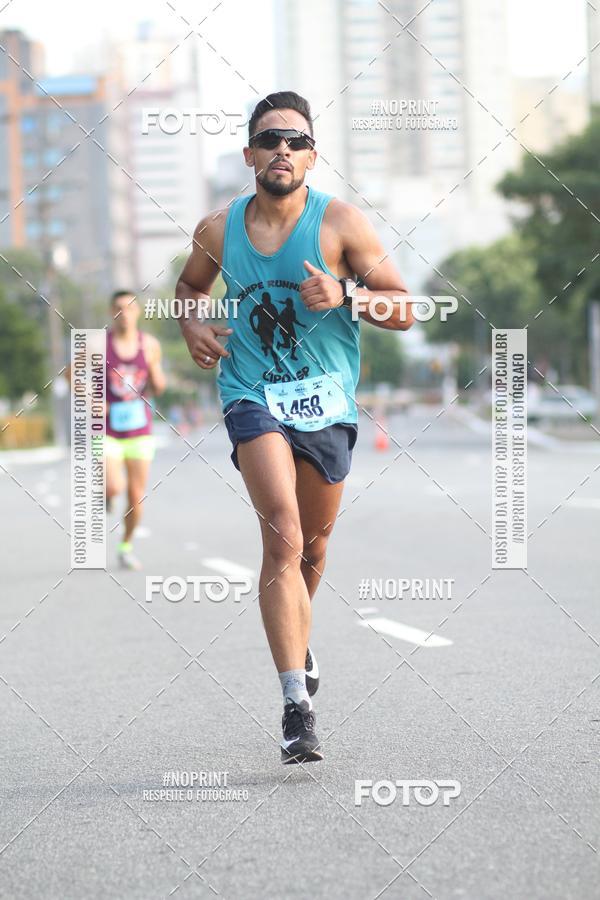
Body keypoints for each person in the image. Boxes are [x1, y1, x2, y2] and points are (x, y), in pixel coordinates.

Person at [176, 91, 413, 763]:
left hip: (326, 400)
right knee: (281, 531)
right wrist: (191, 321)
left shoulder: (340, 224)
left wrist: (348, 294)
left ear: (312, 156)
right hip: (252, 393)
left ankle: (298, 637)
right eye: (271, 138)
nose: (284, 148)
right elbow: (189, 289)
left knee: (312, 546)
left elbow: (408, 308)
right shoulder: (217, 230)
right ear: (250, 154)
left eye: (297, 140)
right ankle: (295, 707)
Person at [105, 290, 166, 570]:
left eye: (129, 308)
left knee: (134, 495)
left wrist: (153, 369)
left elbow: (159, 387)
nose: (124, 313)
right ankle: (106, 494)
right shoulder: (99, 346)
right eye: (118, 308)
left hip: (139, 430)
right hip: (107, 430)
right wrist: (93, 399)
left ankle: (126, 545)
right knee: (113, 485)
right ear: (111, 312)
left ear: (138, 312)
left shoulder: (149, 345)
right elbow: (73, 375)